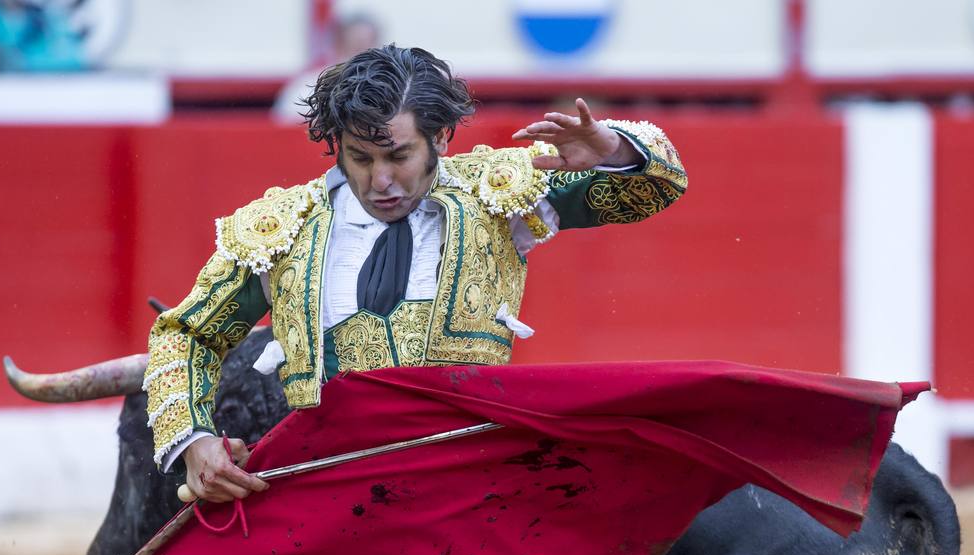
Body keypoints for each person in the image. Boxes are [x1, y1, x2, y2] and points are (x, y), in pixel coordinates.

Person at [145, 44, 688, 502]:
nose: (380, 180)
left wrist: (611, 148)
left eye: (398, 155)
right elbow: (185, 333)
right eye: (359, 158)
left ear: (442, 138)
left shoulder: (497, 193)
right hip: (324, 488)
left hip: (471, 486)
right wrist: (193, 441)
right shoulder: (282, 228)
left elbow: (658, 186)